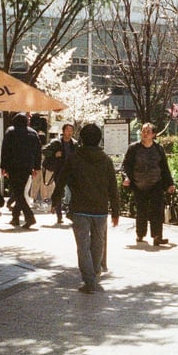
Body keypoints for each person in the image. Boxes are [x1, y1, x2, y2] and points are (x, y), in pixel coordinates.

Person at [51, 123, 119, 294]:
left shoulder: (74, 158)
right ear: (99, 139)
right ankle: (94, 274)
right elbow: (113, 187)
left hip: (80, 208)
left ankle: (89, 280)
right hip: (100, 209)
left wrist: (55, 200)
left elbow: (61, 180)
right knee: (98, 244)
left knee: (83, 245)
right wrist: (116, 211)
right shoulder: (106, 160)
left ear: (81, 139)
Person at [121, 123, 175, 247]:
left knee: (157, 210)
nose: (144, 134)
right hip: (139, 183)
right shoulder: (133, 148)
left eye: (148, 132)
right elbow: (125, 166)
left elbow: (164, 168)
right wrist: (126, 178)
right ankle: (140, 233)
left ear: (153, 135)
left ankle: (157, 236)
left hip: (156, 183)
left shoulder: (158, 149)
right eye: (143, 131)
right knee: (141, 210)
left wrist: (169, 184)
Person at [1, 112, 42, 229]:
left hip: (13, 166)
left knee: (18, 192)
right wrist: (36, 167)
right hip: (27, 167)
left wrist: (3, 166)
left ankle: (30, 217)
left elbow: (5, 150)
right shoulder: (33, 133)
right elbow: (38, 151)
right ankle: (15, 217)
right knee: (19, 191)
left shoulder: (10, 131)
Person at [43, 123, 77, 224]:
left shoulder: (75, 144)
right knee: (59, 192)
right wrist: (54, 154)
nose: (69, 132)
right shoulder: (56, 142)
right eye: (68, 130)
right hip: (60, 170)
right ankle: (59, 215)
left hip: (71, 171)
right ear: (63, 131)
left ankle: (70, 213)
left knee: (74, 192)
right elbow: (44, 150)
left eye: (71, 130)